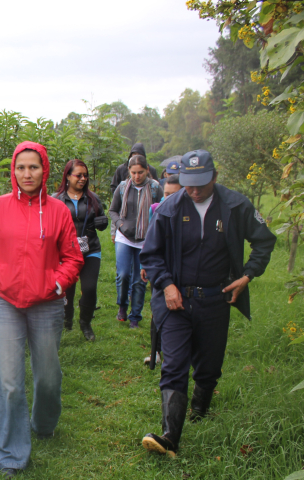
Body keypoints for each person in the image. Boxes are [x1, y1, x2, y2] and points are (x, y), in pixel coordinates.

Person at [139, 150, 276, 458]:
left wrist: (248, 276)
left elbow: (264, 240)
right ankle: (169, 436)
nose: (194, 190)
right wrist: (167, 284)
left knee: (209, 366)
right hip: (176, 301)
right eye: (189, 183)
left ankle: (199, 408)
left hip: (215, 299)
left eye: (201, 183)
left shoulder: (236, 205)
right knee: (174, 364)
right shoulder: (170, 209)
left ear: (215, 177)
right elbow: (151, 254)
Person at [0, 141, 84, 476]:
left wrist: (56, 283)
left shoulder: (58, 211)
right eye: (20, 167)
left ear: (45, 169)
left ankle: (44, 423)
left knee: (48, 377)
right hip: (6, 303)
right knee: (10, 382)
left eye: (33, 167)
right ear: (13, 171)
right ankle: (11, 454)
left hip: (47, 305)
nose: (27, 173)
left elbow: (73, 258)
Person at [51, 159, 108, 341]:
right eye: (78, 175)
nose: (83, 179)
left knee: (89, 288)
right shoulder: (56, 199)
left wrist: (103, 223)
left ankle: (85, 322)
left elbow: (102, 220)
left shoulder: (93, 198)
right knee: (67, 289)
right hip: (66, 252)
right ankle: (67, 318)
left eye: (85, 175)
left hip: (90, 248)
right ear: (68, 176)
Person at [109, 155, 163, 328]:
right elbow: (113, 210)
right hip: (124, 237)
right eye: (133, 173)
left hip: (145, 239)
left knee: (140, 279)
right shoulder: (123, 187)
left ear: (147, 170)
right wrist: (120, 224)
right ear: (129, 172)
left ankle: (135, 317)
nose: (137, 176)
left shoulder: (155, 188)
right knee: (123, 274)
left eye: (140, 172)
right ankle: (122, 306)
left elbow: (161, 210)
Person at [142, 173, 182, 366]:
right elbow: (151, 239)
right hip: (159, 267)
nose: (169, 199)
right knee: (157, 306)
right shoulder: (157, 209)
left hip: (180, 269)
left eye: (174, 194)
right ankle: (156, 351)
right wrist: (145, 265)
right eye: (166, 194)